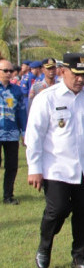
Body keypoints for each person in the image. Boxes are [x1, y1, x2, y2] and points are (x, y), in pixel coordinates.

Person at [26, 53, 84, 268]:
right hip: (56, 168)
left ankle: (81, 257)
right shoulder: (47, 98)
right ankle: (44, 246)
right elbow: (33, 136)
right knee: (57, 210)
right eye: (76, 74)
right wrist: (34, 169)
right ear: (62, 71)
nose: (80, 79)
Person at [0, 59, 27, 205]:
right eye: (5, 71)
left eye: (11, 71)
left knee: (12, 166)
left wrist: (24, 132)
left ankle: (8, 195)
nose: (9, 73)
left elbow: (21, 112)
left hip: (11, 134)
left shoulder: (16, 90)